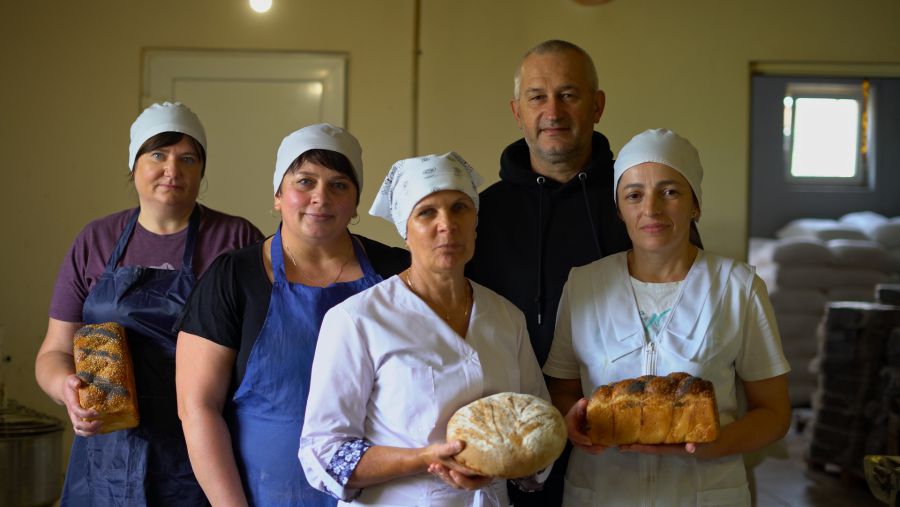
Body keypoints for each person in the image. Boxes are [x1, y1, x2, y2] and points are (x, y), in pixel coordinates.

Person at [543, 128, 792, 506]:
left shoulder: (737, 286)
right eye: (634, 195)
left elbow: (774, 412)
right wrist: (572, 420)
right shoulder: (584, 285)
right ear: (619, 209)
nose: (651, 209)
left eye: (670, 191)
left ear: (696, 204)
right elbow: (562, 390)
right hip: (603, 493)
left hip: (702, 492)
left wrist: (714, 444)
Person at [35, 101, 263, 505]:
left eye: (187, 158)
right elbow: (54, 350)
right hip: (107, 449)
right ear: (134, 165)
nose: (172, 170)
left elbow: (262, 352)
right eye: (158, 154)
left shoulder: (235, 239)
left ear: (201, 170)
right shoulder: (96, 239)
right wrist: (66, 388)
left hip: (201, 445)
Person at [175, 123, 409, 506]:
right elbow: (198, 407)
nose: (321, 197)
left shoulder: (398, 273)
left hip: (385, 495)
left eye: (339, 185)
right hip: (265, 494)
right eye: (304, 182)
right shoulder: (235, 276)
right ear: (278, 195)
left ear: (354, 204)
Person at [299, 152, 551, 506]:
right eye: (426, 212)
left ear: (476, 222)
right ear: (406, 230)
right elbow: (325, 452)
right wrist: (424, 459)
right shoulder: (358, 320)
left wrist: (548, 441)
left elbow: (534, 427)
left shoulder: (506, 317)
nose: (447, 224)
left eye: (460, 208)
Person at [465, 39, 631, 506]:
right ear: (517, 111)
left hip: (616, 439)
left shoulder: (637, 203)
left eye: (569, 94)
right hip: (509, 439)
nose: (552, 110)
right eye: (538, 97)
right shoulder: (480, 215)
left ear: (596, 106)